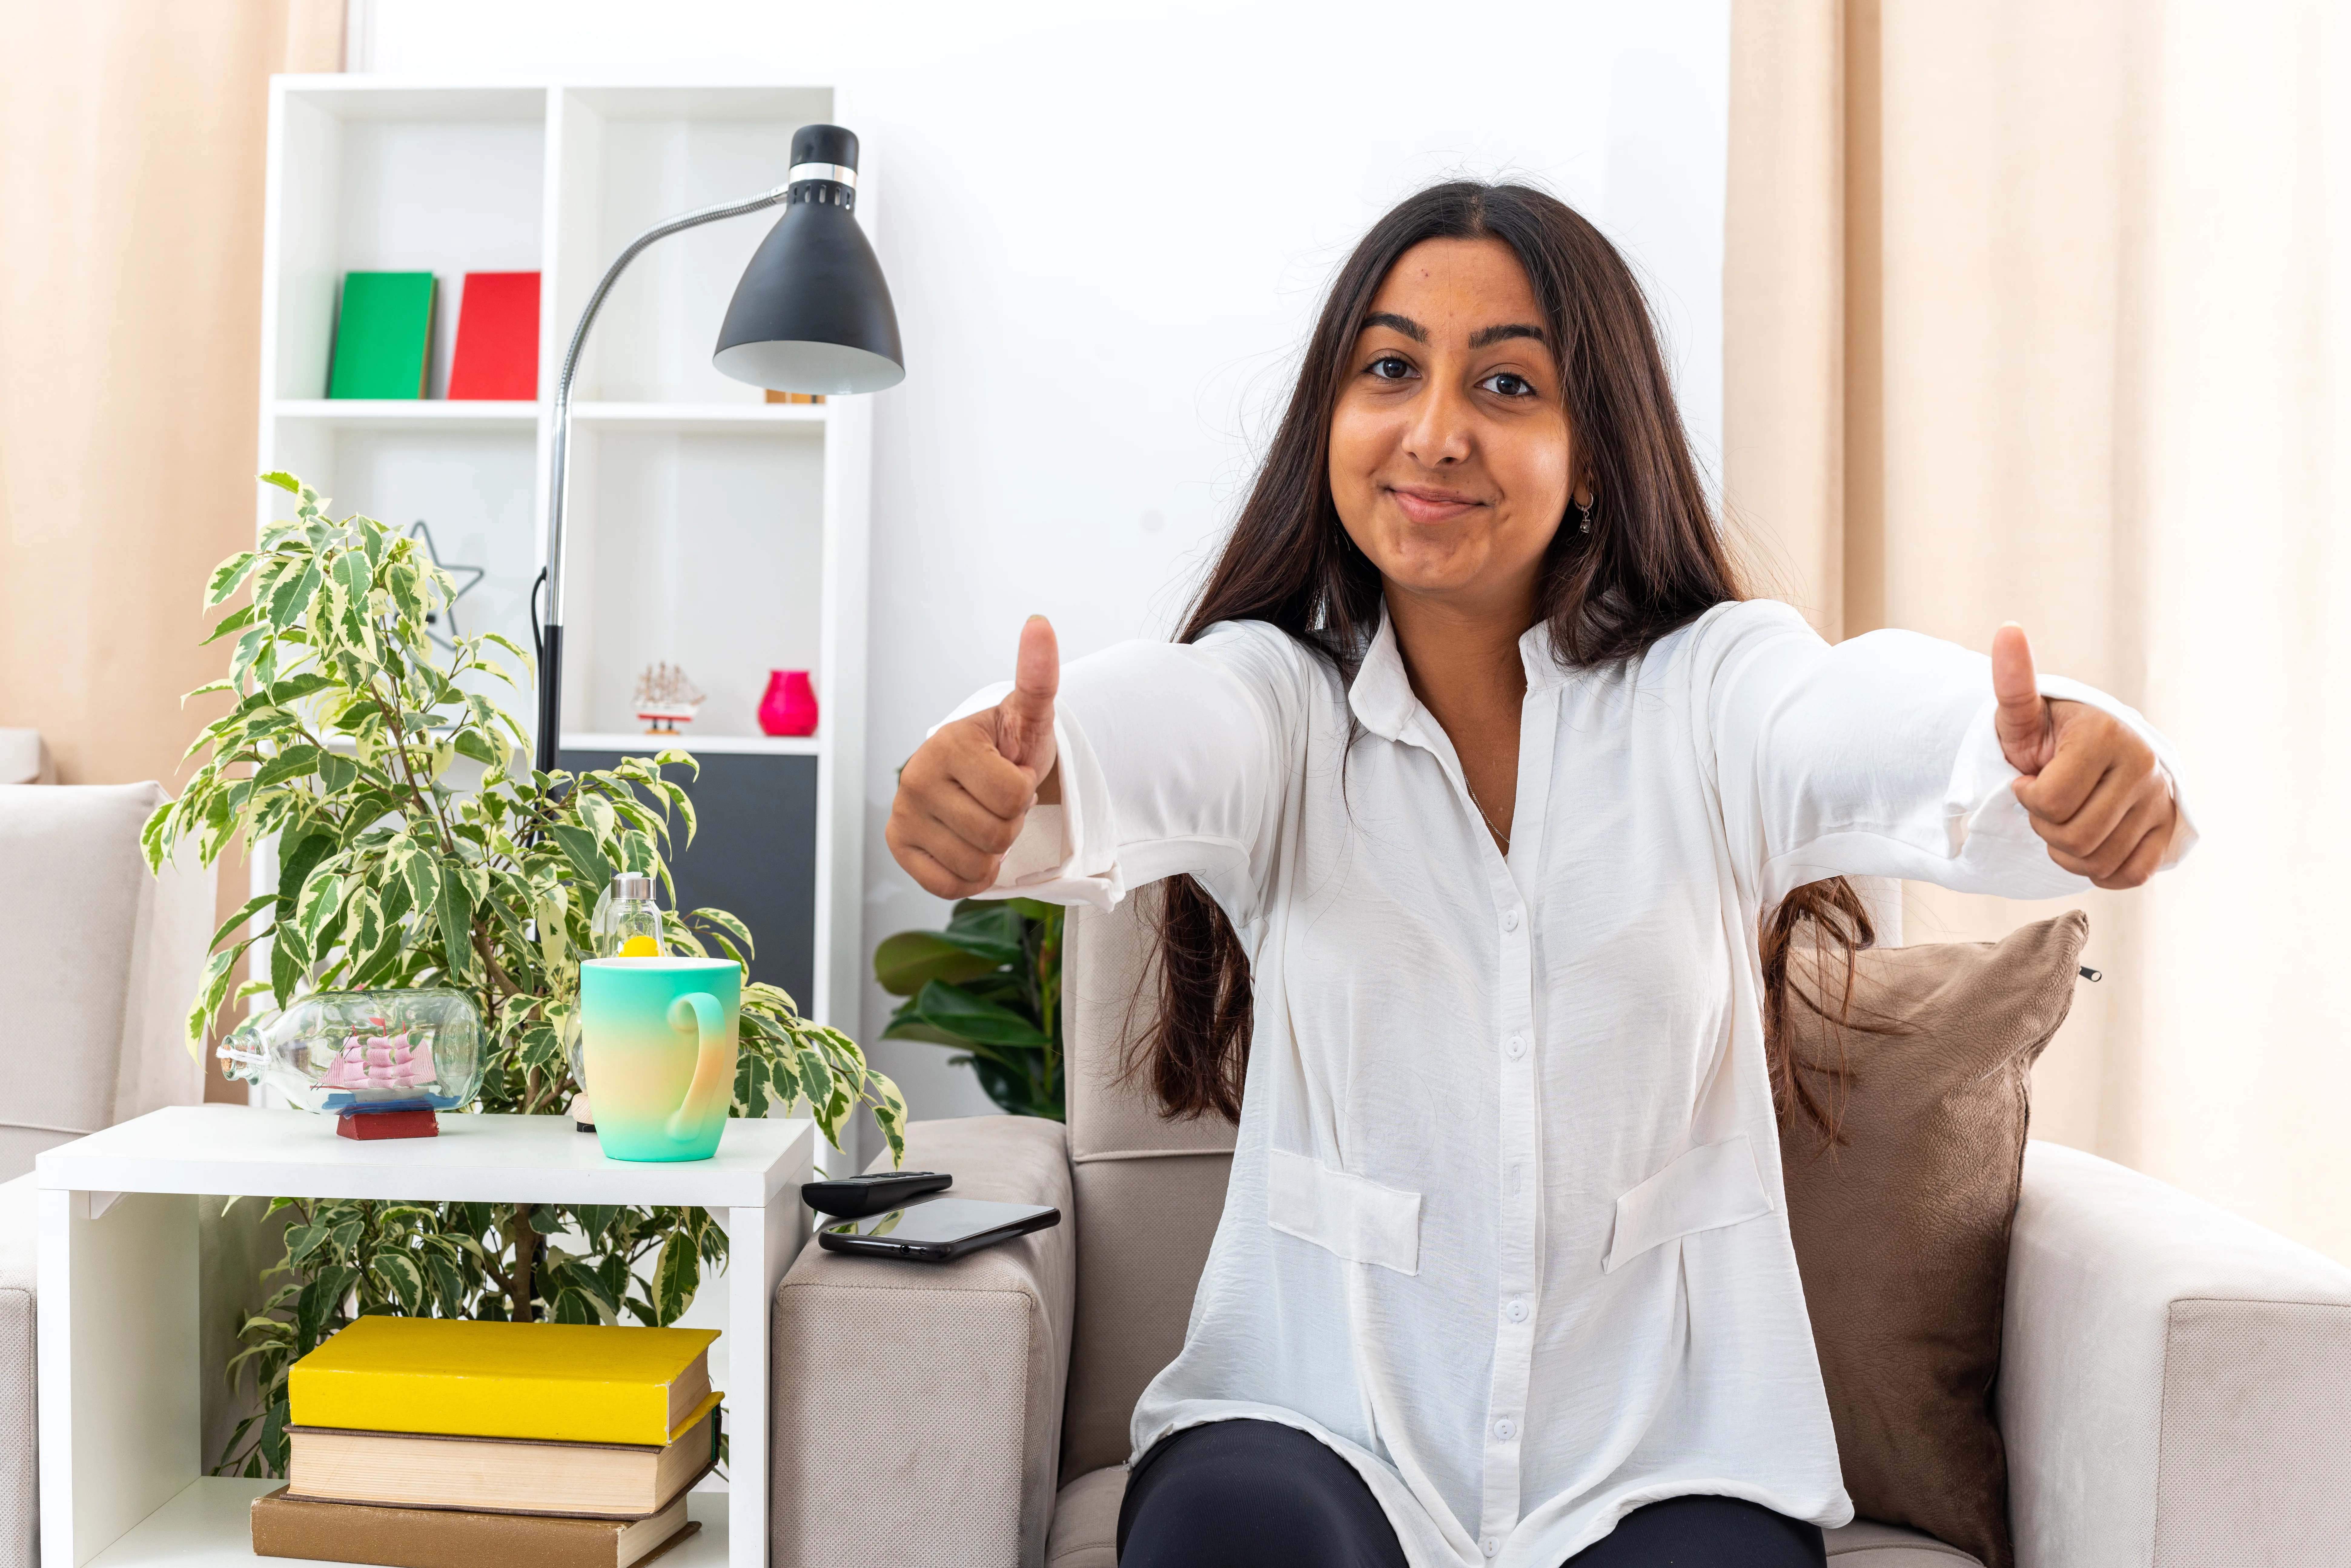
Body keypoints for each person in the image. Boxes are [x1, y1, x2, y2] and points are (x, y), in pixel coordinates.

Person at [886, 182, 2191, 1568]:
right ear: (1329, 421)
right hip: (1311, 1430)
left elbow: (1861, 720)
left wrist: (2049, 757)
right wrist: (1012, 777)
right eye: (1389, 368)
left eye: (1505, 383)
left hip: (1666, 1466)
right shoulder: (1279, 708)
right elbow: (1142, 732)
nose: (1434, 429)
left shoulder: (1706, 692)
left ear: (1592, 453)